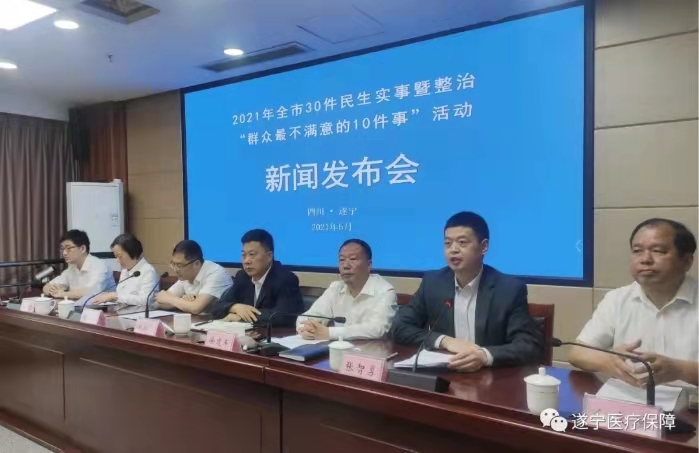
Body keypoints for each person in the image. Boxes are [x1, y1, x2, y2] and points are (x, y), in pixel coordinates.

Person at [390, 211, 543, 371]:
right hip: (445, 374)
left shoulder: (509, 289)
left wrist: (485, 356)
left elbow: (529, 345)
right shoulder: (433, 283)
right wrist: (445, 341)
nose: (453, 250)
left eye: (462, 242)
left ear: (484, 247)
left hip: (490, 376)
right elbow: (400, 327)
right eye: (448, 243)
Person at [569, 218, 698, 387]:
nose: (645, 259)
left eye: (658, 251)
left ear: (687, 261)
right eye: (637, 251)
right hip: (628, 398)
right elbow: (577, 352)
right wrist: (608, 360)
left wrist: (680, 370)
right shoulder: (617, 299)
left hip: (690, 402)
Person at [297, 239, 396, 340]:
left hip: (372, 349)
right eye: (342, 260)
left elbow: (377, 328)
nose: (345, 266)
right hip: (337, 348)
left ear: (368, 265)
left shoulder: (385, 291)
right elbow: (307, 316)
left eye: (353, 259)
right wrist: (305, 328)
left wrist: (329, 333)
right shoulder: (336, 288)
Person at [212, 229, 303, 326]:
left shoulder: (285, 279)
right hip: (247, 333)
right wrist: (235, 307)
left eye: (252, 254)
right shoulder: (242, 276)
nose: (246, 261)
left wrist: (242, 317)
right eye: (243, 255)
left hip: (274, 334)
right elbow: (217, 307)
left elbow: (284, 317)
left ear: (269, 256)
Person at [155, 240, 233, 314]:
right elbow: (159, 302)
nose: (176, 269)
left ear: (196, 264)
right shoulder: (185, 276)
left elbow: (196, 308)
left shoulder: (215, 273)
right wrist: (182, 300)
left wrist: (171, 299)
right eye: (173, 264)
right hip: (201, 320)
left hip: (223, 320)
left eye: (179, 265)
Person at [92, 233, 159, 312]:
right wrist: (109, 296)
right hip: (122, 312)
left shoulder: (148, 271)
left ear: (132, 252)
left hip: (140, 315)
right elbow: (121, 295)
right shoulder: (125, 270)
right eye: (116, 257)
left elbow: (145, 300)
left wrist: (115, 296)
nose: (117, 260)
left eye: (120, 256)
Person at [43, 230, 115, 299]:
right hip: (79, 306)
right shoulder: (72, 268)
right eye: (62, 249)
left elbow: (91, 292)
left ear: (82, 249)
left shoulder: (99, 266)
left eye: (68, 248)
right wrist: (53, 290)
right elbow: (46, 287)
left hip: (104, 307)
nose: (64, 253)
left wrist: (63, 294)